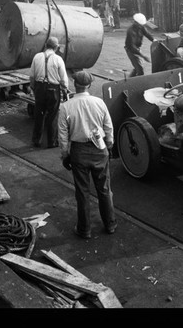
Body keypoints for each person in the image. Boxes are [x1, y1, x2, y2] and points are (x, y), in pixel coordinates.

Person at [57, 71, 117, 239]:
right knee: (104, 190)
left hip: (79, 151)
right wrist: (109, 145)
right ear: (89, 85)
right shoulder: (99, 102)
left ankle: (84, 230)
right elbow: (108, 127)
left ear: (75, 85)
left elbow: (62, 135)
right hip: (100, 149)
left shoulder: (66, 106)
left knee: (82, 192)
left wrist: (65, 155)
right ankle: (110, 225)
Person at [29, 37, 69, 148]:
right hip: (53, 89)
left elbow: (32, 76)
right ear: (56, 47)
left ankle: (36, 140)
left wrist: (34, 88)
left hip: (39, 88)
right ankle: (52, 142)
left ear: (46, 45)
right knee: (52, 116)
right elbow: (63, 79)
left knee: (39, 114)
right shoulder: (58, 59)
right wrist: (65, 89)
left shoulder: (37, 57)